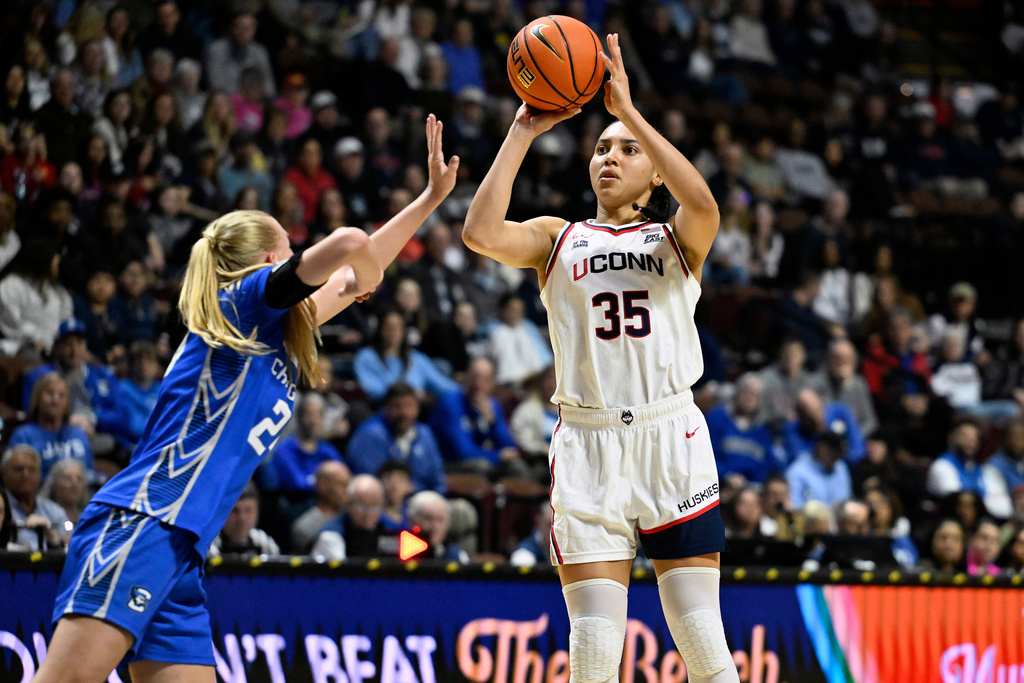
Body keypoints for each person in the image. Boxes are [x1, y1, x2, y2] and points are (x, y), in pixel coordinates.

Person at [31, 114, 458, 683]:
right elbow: (353, 247)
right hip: (144, 521)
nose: (296, 256)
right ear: (266, 263)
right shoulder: (243, 301)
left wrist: (429, 199)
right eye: (287, 249)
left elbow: (354, 268)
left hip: (183, 550)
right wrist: (368, 272)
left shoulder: (274, 330)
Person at [461, 35, 739, 682]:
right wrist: (523, 129)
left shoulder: (678, 240)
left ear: (656, 171)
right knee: (591, 657)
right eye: (602, 146)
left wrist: (632, 111)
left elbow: (705, 203)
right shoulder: (558, 237)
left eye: (628, 149)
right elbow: (478, 231)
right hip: (586, 443)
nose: (610, 155)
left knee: (705, 648)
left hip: (671, 434)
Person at [346, 381, 446, 493]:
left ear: (417, 408)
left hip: (421, 500)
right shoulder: (369, 435)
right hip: (382, 502)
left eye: (408, 406)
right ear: (385, 408)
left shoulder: (425, 434)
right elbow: (368, 482)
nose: (403, 412)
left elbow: (437, 477)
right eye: (397, 406)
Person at [1, 445, 70, 551]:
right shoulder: (1, 508)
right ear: (3, 474)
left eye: (32, 469)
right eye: (19, 469)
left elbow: (69, 548)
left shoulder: (55, 512)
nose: (25, 475)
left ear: (40, 474)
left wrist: (52, 536)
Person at [290, 460, 351, 553]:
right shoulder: (305, 527)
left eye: (349, 484)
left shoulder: (353, 518)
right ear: (322, 486)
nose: (348, 491)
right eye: (342, 484)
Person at [207, 482, 280, 558]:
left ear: (257, 512)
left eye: (248, 510)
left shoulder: (264, 543)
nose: (242, 518)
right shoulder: (209, 545)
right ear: (222, 513)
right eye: (235, 511)